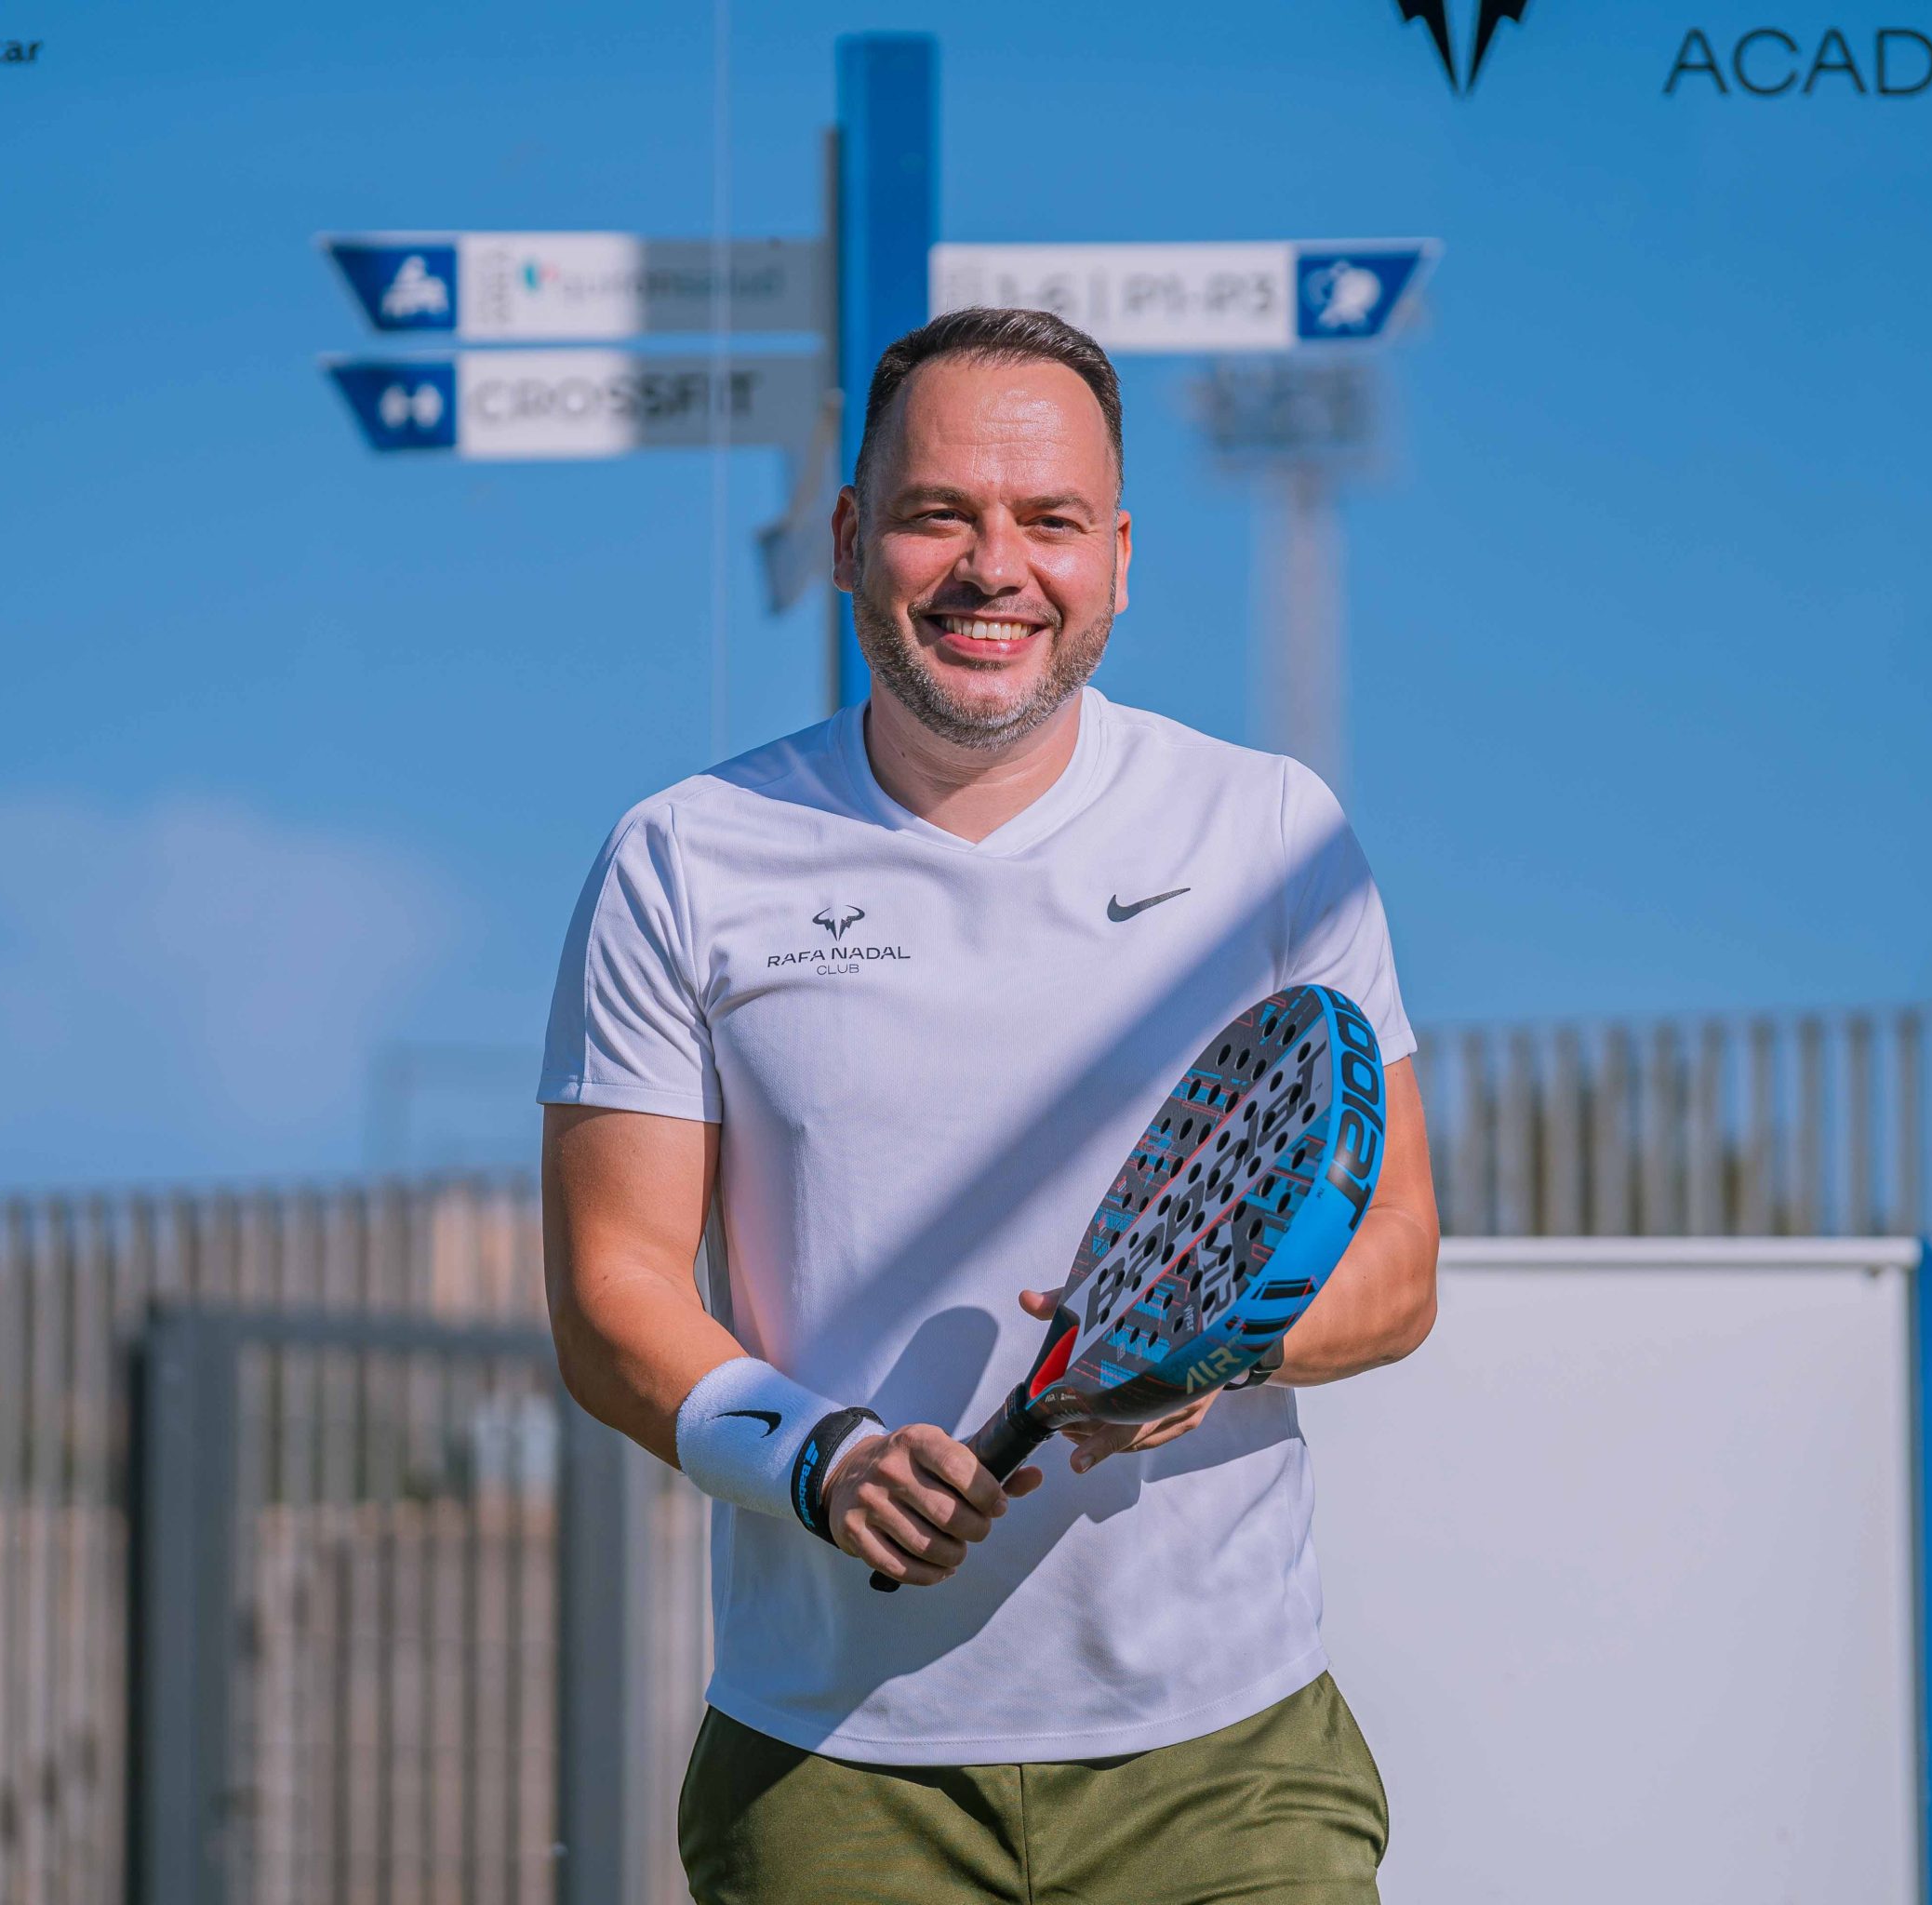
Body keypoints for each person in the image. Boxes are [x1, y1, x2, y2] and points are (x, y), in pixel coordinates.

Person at [540, 306, 1439, 1904]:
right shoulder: (682, 855)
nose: (994, 568)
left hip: (1229, 1769)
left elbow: (1397, 1268)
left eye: (1051, 521)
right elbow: (612, 1295)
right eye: (938, 513)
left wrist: (1202, 1350)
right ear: (848, 537)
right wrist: (819, 1460)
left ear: (1120, 558)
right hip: (828, 1776)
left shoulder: (1269, 828)